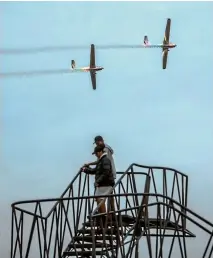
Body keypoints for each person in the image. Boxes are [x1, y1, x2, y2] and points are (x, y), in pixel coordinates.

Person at [82, 145, 115, 216]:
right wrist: (85, 170)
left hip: (106, 183)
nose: (96, 155)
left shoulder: (105, 160)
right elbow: (95, 170)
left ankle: (103, 217)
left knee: (100, 199)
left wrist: (98, 181)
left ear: (100, 152)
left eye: (96, 153)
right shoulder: (101, 160)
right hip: (103, 184)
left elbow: (106, 172)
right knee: (98, 198)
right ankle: (101, 216)